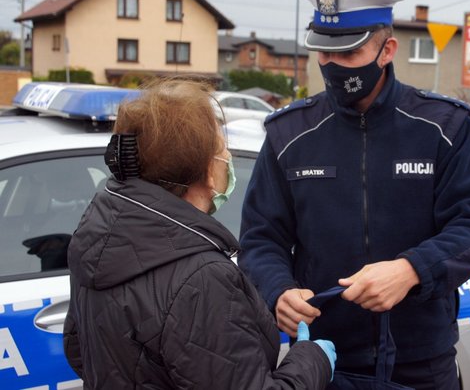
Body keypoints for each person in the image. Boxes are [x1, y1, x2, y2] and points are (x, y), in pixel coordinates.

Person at [239, 0, 470, 390]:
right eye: (324, 53)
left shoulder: (443, 128)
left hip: (422, 360)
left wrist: (410, 269)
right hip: (322, 358)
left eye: (348, 53)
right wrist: (278, 292)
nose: (333, 65)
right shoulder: (289, 134)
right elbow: (260, 238)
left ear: (388, 50)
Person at [63, 79, 336, 389]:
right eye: (223, 150)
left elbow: (78, 351)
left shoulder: (96, 237)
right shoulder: (203, 279)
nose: (229, 159)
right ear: (207, 171)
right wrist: (311, 361)